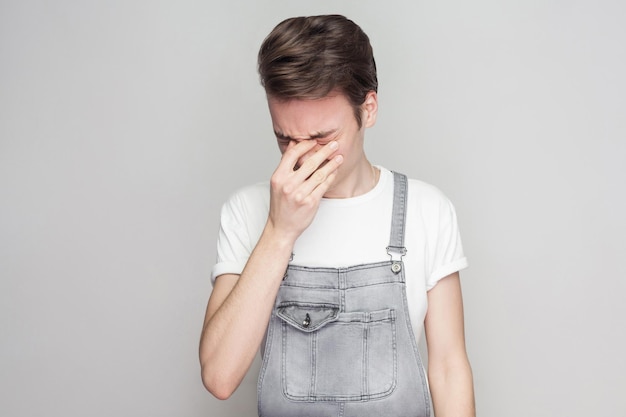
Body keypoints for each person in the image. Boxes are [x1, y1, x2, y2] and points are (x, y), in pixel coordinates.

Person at [199, 14, 475, 417]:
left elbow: (449, 369)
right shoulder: (248, 212)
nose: (303, 157)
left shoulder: (427, 210)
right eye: (285, 138)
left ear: (369, 109)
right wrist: (279, 231)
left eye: (322, 138)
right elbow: (219, 377)